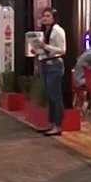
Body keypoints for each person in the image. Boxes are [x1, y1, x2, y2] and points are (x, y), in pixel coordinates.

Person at [32, 8, 67, 137]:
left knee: (56, 97)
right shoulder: (44, 31)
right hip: (44, 63)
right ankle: (51, 123)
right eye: (43, 16)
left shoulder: (58, 30)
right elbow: (43, 49)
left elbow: (62, 50)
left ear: (54, 17)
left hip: (54, 65)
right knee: (50, 97)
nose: (45, 18)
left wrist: (45, 46)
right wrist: (37, 51)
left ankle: (58, 126)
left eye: (48, 16)